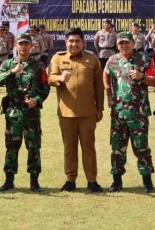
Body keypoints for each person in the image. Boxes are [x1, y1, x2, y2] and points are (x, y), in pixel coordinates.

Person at [48, 27, 104, 193]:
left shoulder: (92, 59)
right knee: (69, 148)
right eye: (71, 41)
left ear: (83, 42)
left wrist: (99, 109)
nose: (74, 44)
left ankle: (92, 180)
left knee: (89, 147)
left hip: (88, 113)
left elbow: (98, 87)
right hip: (66, 112)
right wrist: (59, 78)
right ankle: (70, 180)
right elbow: (50, 78)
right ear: (66, 42)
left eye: (77, 41)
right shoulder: (58, 58)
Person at [0, 33, 50, 192]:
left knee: (33, 146)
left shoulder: (38, 65)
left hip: (31, 112)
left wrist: (37, 100)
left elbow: (45, 87)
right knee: (12, 146)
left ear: (31, 46)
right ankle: (9, 180)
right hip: (14, 112)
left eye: (26, 44)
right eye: (21, 44)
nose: (23, 47)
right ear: (16, 46)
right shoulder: (8, 63)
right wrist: (12, 71)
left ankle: (34, 181)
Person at [105, 31, 155, 193]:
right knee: (117, 148)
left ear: (133, 43)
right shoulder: (112, 60)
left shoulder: (144, 59)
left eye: (127, 42)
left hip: (138, 112)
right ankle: (117, 181)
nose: (124, 46)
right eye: (121, 43)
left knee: (141, 148)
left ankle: (147, 181)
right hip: (118, 113)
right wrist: (108, 93)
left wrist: (142, 77)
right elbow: (105, 75)